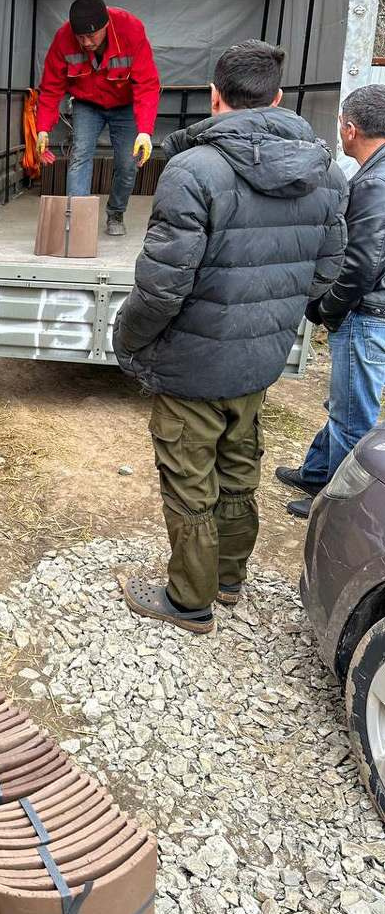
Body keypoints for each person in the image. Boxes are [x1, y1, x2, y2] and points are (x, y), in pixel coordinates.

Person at [112, 40, 348, 634]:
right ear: (279, 98)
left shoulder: (193, 169)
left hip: (192, 362)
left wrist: (128, 338)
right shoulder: (324, 170)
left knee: (190, 475)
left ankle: (188, 600)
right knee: (239, 464)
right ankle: (227, 576)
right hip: (259, 356)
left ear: (215, 97)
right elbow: (327, 271)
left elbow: (162, 288)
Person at [277, 84, 385, 519]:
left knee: (353, 414)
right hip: (369, 309)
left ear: (350, 128)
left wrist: (328, 308)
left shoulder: (376, 183)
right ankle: (317, 471)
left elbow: (362, 264)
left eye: (341, 124)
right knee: (343, 401)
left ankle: (334, 507)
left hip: (366, 313)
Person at [35, 0, 160, 236]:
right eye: (80, 36)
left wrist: (145, 130)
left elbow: (147, 84)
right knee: (80, 155)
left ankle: (116, 213)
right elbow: (51, 87)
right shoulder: (63, 38)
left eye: (92, 35)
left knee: (127, 162)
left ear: (106, 26)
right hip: (87, 104)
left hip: (124, 106)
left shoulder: (130, 30)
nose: (86, 42)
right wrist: (43, 128)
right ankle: (77, 221)